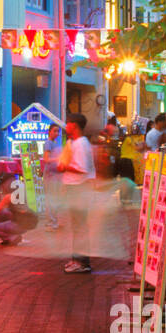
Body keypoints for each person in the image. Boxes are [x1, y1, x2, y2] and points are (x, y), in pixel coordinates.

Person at [59, 113, 97, 273]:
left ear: (74, 125)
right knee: (77, 226)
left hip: (79, 188)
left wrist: (64, 167)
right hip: (74, 187)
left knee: (80, 227)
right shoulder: (73, 143)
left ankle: (82, 262)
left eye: (68, 123)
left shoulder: (81, 144)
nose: (65, 126)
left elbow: (82, 168)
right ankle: (76, 259)